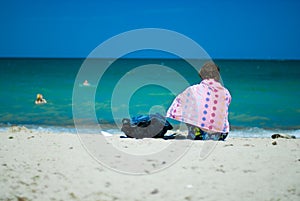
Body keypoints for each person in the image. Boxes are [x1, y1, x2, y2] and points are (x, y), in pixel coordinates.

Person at [166, 61, 231, 140]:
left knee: (188, 106)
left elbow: (179, 103)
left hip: (203, 133)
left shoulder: (194, 89)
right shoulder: (225, 92)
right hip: (222, 134)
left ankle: (196, 132)